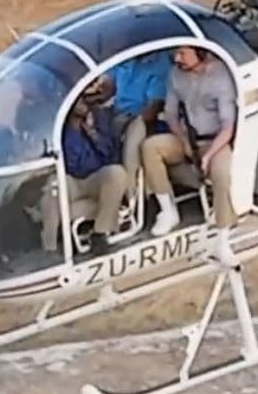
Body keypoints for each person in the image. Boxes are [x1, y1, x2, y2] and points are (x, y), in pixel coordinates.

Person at [140, 46, 237, 261]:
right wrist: (183, 140)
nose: (177, 58)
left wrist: (209, 155)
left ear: (200, 53)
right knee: (150, 147)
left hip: (215, 141)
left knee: (221, 173)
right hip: (188, 137)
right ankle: (168, 211)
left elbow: (228, 125)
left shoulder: (221, 76)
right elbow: (171, 114)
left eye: (183, 53)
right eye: (175, 53)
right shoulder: (175, 75)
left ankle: (223, 238)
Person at [91, 51, 172, 197]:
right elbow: (109, 87)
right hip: (115, 112)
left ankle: (131, 194)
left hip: (140, 117)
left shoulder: (160, 63)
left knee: (134, 130)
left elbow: (154, 107)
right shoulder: (126, 54)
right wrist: (91, 97)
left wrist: (124, 123)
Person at [60, 96, 129, 255]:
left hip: (97, 179)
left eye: (84, 99)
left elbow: (111, 155)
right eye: (78, 101)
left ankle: (100, 233)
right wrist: (75, 130)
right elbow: (72, 166)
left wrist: (92, 134)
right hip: (73, 182)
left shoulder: (99, 118)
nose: (84, 104)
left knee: (116, 173)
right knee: (54, 190)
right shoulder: (62, 132)